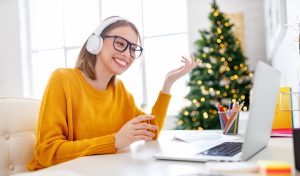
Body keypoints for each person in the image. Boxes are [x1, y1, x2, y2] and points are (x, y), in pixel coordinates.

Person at [27, 16, 201, 170]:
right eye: (120, 43)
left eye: (133, 49)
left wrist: (168, 84)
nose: (127, 54)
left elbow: (151, 131)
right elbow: (46, 152)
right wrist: (114, 141)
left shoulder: (120, 91)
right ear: (96, 43)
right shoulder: (62, 79)